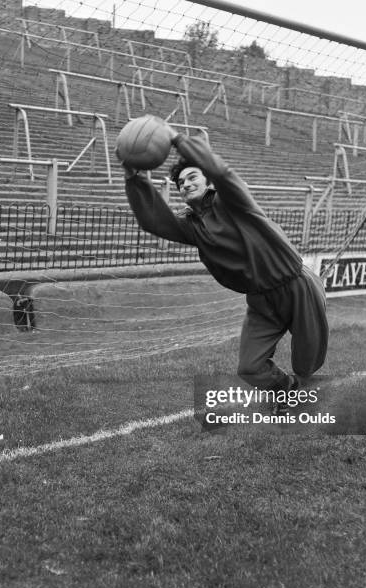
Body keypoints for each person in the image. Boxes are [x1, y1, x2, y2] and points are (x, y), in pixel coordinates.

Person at [119, 124, 328, 410]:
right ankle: (287, 388)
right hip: (261, 300)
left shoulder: (233, 201)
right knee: (250, 367)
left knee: (307, 361)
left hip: (296, 285)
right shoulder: (191, 227)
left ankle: (302, 386)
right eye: (181, 183)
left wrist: (178, 139)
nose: (186, 184)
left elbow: (223, 173)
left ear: (208, 182)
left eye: (193, 177)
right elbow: (154, 221)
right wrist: (133, 177)